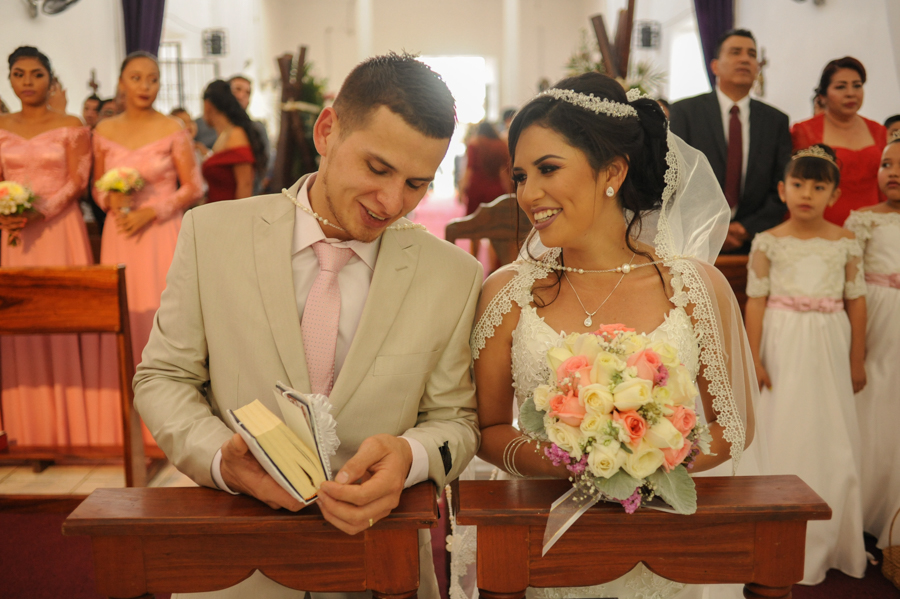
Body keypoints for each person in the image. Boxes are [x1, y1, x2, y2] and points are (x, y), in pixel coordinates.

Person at [133, 52, 481, 599]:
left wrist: (410, 459)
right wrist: (222, 459)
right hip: (234, 561)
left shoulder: (452, 276)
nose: (392, 202)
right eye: (377, 168)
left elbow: (456, 421)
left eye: (417, 183)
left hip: (379, 565)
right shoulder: (212, 235)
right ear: (326, 130)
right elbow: (162, 378)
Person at [456, 72, 759, 599]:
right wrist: (571, 460)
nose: (530, 194)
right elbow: (484, 427)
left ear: (612, 171)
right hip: (542, 547)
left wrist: (647, 462)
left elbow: (732, 427)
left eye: (548, 169)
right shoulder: (507, 292)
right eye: (521, 176)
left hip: (661, 543)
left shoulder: (694, 287)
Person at [745, 145, 867, 585]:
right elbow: (755, 301)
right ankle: (777, 529)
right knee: (788, 424)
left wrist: (857, 357)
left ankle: (831, 536)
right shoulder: (769, 240)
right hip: (783, 338)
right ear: (782, 189)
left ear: (833, 195)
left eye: (819, 187)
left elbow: (857, 301)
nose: (807, 194)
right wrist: (754, 357)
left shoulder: (846, 242)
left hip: (830, 339)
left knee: (830, 428)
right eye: (798, 184)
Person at [91, 51, 203, 445]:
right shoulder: (103, 132)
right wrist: (111, 201)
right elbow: (95, 186)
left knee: (163, 317)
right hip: (119, 233)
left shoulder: (173, 128)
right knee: (123, 316)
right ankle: (122, 425)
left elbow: (193, 186)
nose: (144, 86)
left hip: (160, 233)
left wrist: (152, 211)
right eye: (136, 78)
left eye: (152, 79)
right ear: (121, 82)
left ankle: (168, 424)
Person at [0, 46, 93, 446]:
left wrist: (42, 210)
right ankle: (27, 426)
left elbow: (79, 180)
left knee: (67, 315)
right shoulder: (1, 125)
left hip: (59, 229)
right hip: (13, 233)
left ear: (50, 79)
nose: (27, 83)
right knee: (17, 320)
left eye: (36, 75)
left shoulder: (71, 124)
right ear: (9, 80)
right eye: (18, 74)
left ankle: (74, 425)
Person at [670, 29, 791, 253]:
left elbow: (781, 187)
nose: (745, 59)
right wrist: (710, 229)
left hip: (754, 245)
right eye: (735, 52)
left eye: (752, 54)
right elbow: (673, 179)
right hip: (692, 243)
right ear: (715, 66)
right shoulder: (685, 112)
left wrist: (746, 228)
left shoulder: (776, 121)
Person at [844, 136, 900, 550]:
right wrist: (855, 351)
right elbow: (850, 287)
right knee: (875, 405)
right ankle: (864, 510)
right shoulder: (861, 219)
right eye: (886, 164)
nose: (893, 172)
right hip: (877, 320)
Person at [791, 57, 887, 226]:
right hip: (823, 225)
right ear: (823, 96)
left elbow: (885, 186)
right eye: (840, 87)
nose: (851, 93)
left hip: (874, 224)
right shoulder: (805, 131)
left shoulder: (878, 131)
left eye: (857, 85)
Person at [200, 80, 267, 202]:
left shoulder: (236, 134)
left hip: (229, 213)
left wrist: (239, 218)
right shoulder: (225, 134)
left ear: (207, 105)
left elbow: (245, 184)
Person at [459, 120, 510, 261]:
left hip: (477, 189)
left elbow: (469, 169)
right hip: (496, 190)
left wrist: (462, 188)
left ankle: (474, 260)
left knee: (474, 229)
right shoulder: (501, 145)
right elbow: (504, 172)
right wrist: (509, 192)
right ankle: (493, 266)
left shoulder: (474, 143)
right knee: (495, 230)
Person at [229, 74, 274, 193]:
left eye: (247, 93)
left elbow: (266, 159)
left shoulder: (257, 128)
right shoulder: (205, 126)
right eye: (237, 89)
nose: (242, 95)